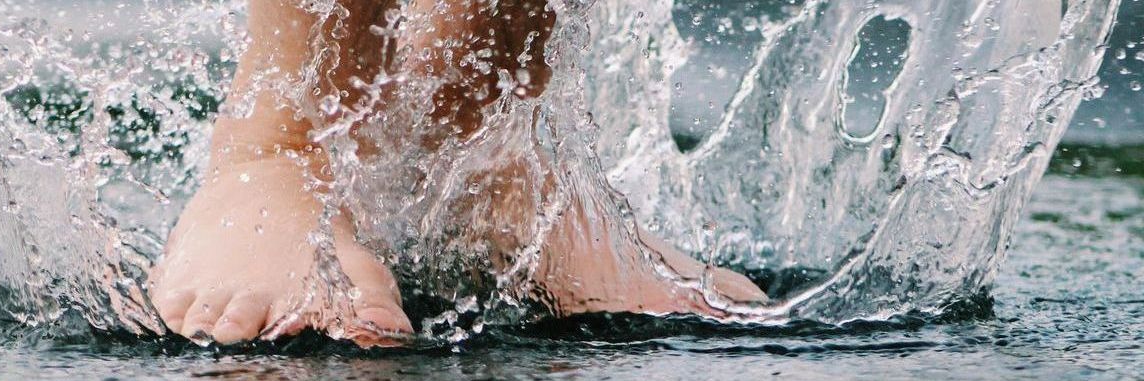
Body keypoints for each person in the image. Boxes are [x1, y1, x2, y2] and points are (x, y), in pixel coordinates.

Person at [146, 0, 765, 347]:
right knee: (310, 79)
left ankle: (489, 155)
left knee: (485, 89)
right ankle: (281, 146)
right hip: (284, 135)